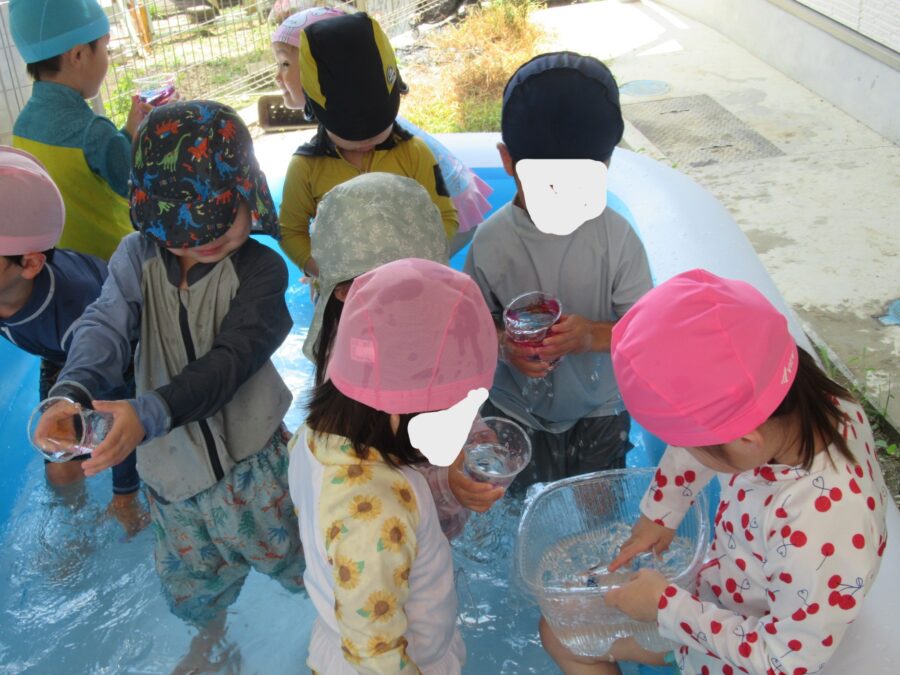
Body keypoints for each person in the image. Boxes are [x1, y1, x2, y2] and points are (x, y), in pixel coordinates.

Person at [32, 102, 305, 639]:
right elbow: (104, 325)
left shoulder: (262, 272)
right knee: (194, 586)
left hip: (256, 471)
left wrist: (148, 413)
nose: (202, 239)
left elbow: (231, 361)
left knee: (303, 562)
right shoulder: (136, 258)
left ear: (248, 193)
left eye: (219, 218)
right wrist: (71, 391)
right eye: (181, 229)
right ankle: (212, 642)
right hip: (170, 478)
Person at [541, 269, 890, 674]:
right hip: (729, 591)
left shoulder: (825, 521)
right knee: (568, 609)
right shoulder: (813, 402)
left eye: (692, 444)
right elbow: (710, 420)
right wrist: (661, 511)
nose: (685, 453)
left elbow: (786, 659)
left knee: (558, 634)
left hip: (738, 652)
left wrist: (667, 607)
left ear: (746, 439)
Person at [288, 257, 499, 673]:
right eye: (457, 412)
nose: (464, 428)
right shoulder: (376, 512)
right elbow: (377, 659)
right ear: (401, 410)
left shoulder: (312, 437)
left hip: (340, 638)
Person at [464, 52, 653, 487]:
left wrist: (592, 336)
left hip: (599, 411)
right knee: (517, 505)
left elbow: (649, 333)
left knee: (596, 509)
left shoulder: (616, 238)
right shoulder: (490, 242)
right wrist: (504, 346)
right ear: (507, 162)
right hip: (515, 408)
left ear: (604, 169)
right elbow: (470, 329)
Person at [304, 171, 504, 537]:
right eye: (383, 287)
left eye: (419, 281)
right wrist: (446, 484)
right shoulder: (347, 368)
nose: (407, 301)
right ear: (342, 291)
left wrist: (476, 435)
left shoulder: (439, 320)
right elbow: (370, 479)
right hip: (394, 530)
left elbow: (458, 401)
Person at [0, 145, 143, 533]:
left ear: (30, 264)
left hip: (117, 349)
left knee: (126, 426)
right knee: (60, 467)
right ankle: (78, 536)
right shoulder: (10, 282)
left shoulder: (74, 316)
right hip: (59, 353)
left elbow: (118, 404)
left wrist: (125, 494)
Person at [271, 6, 491, 254]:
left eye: (285, 64)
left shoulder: (371, 133)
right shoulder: (356, 118)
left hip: (450, 212)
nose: (277, 76)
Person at [9, 0, 150, 261]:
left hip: (66, 264)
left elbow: (90, 169)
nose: (108, 57)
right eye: (106, 47)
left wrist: (128, 132)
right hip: (116, 264)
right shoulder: (93, 132)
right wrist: (151, 135)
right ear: (78, 55)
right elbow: (135, 186)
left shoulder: (22, 127)